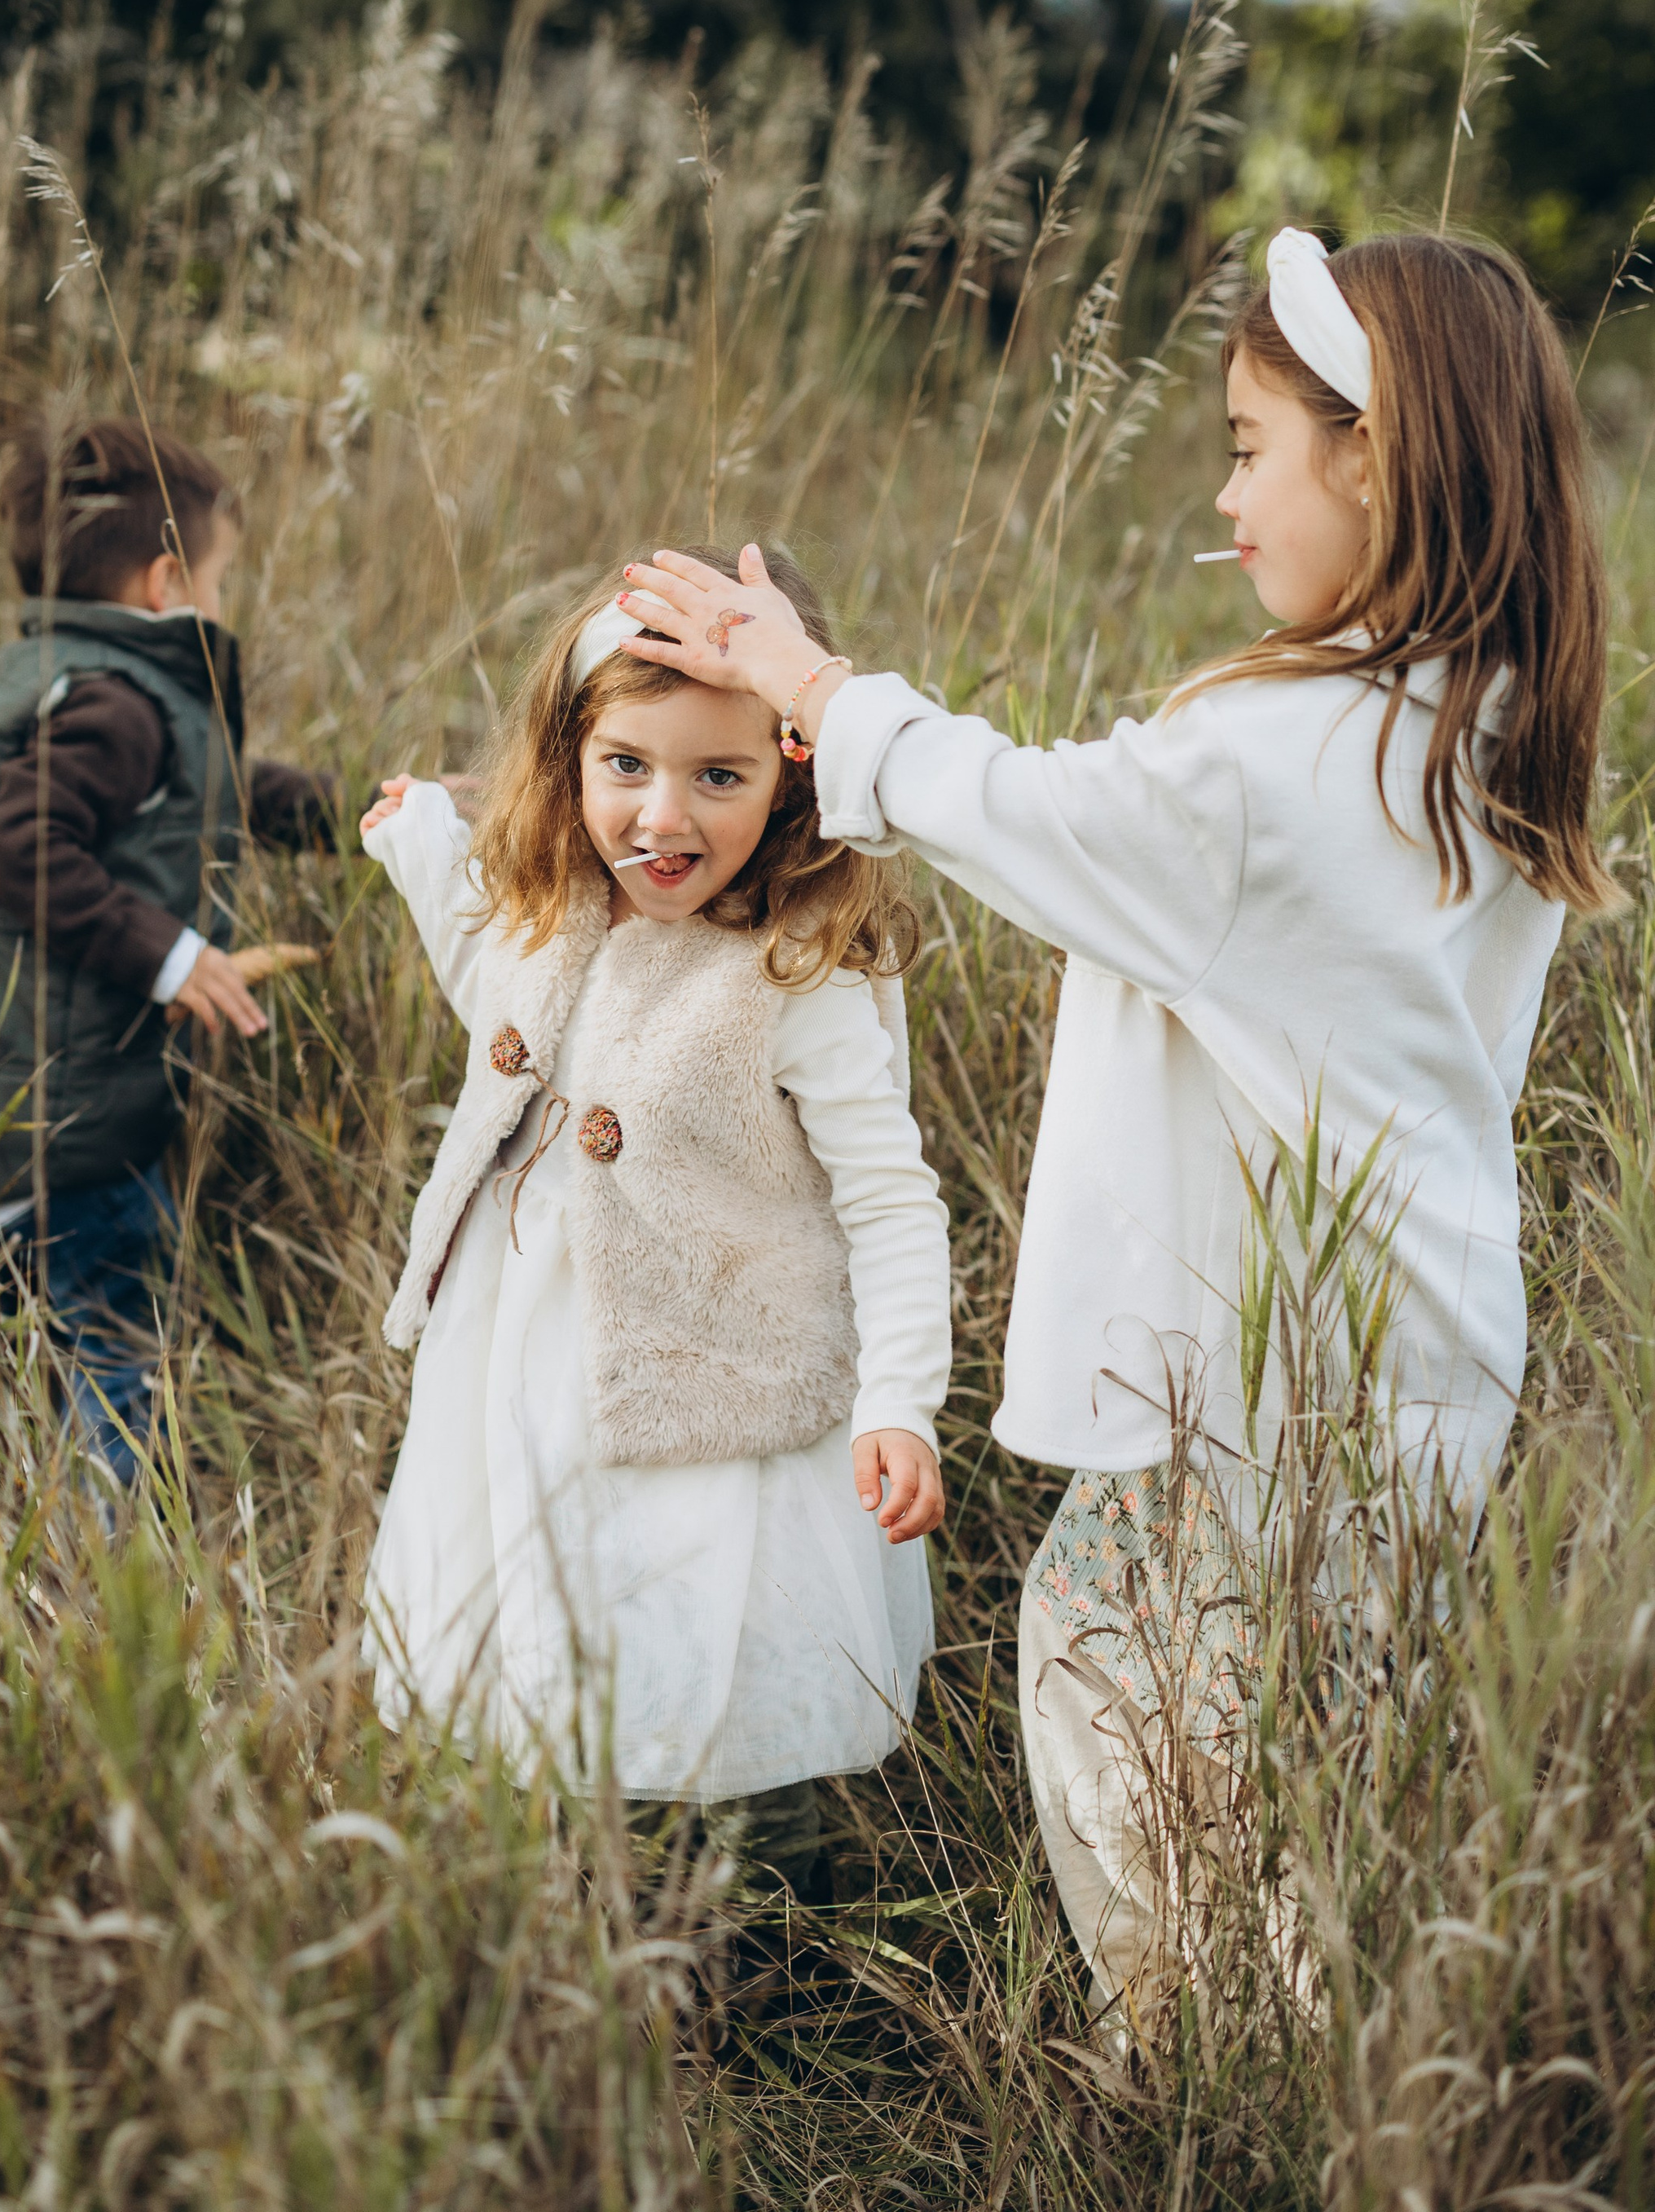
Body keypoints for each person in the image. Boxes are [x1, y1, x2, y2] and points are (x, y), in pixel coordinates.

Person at [618, 231, 1612, 2026]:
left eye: (1248, 444)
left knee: (1158, 1752)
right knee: (1298, 1777)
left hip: (1252, 1401)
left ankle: (1213, 2086)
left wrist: (808, 687)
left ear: (1376, 457)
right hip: (1405, 1367)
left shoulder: (1275, 773)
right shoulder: (1469, 712)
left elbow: (1025, 814)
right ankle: (1301, 2075)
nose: (1222, 494)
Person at [359, 546, 951, 1904]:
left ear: (795, 771)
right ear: (571, 759)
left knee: (711, 1647)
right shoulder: (562, 914)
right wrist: (422, 851)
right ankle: (582, 1905)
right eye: (625, 766)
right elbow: (498, 1000)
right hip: (535, 1357)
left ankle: (753, 1947)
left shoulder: (799, 971)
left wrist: (902, 1398)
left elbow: (890, 1199)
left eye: (718, 777)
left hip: (721, 1382)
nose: (661, 817)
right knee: (557, 1618)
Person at [0, 416, 334, 1483]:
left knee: (44, 1332)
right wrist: (174, 957)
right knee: (120, 1343)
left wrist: (352, 818)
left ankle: (21, 1503)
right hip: (53, 1116)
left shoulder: (56, 670)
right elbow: (18, 846)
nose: (223, 603)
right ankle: (108, 1587)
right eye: (221, 580)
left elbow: (196, 795)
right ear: (168, 583)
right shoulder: (122, 700)